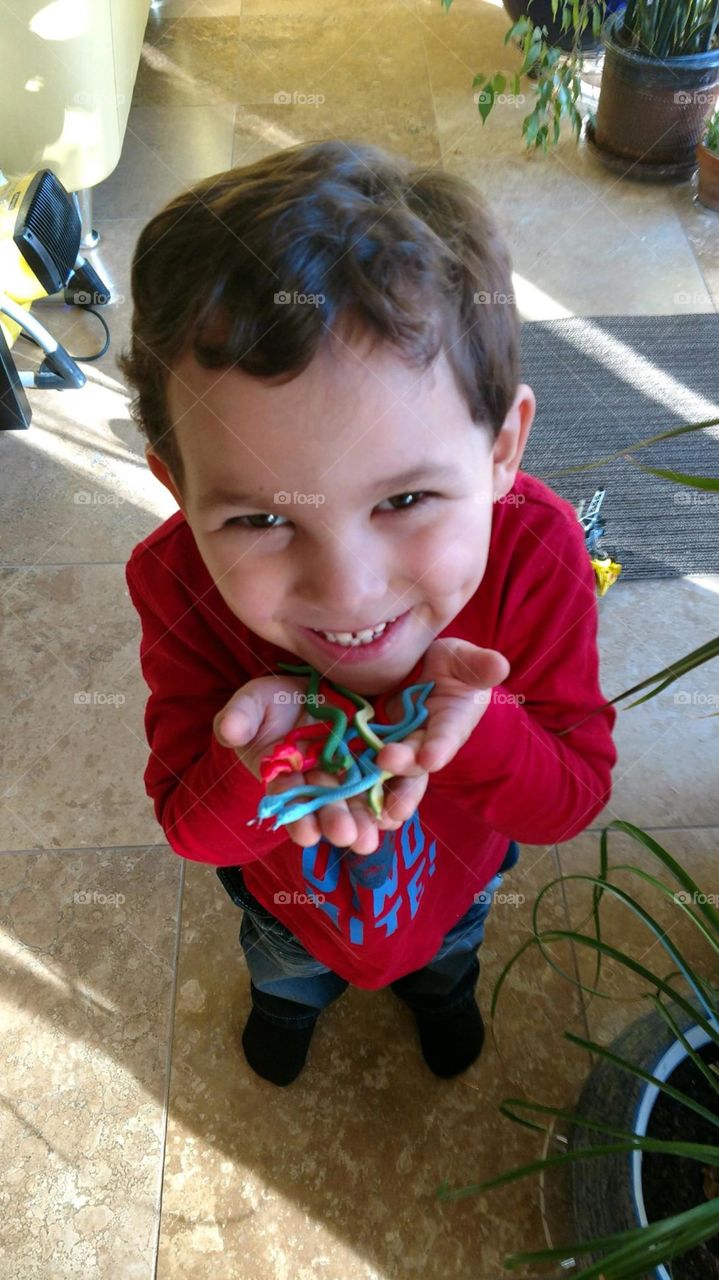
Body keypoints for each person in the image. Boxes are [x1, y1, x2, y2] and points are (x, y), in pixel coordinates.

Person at [119, 139, 617, 1088]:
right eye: (261, 518)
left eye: (404, 501)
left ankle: (438, 990)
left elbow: (572, 793)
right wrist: (255, 757)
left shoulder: (538, 549)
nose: (346, 592)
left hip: (458, 886)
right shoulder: (173, 580)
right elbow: (193, 827)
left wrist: (477, 732)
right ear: (179, 490)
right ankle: (287, 1004)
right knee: (286, 972)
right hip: (286, 901)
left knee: (445, 958)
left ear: (502, 449)